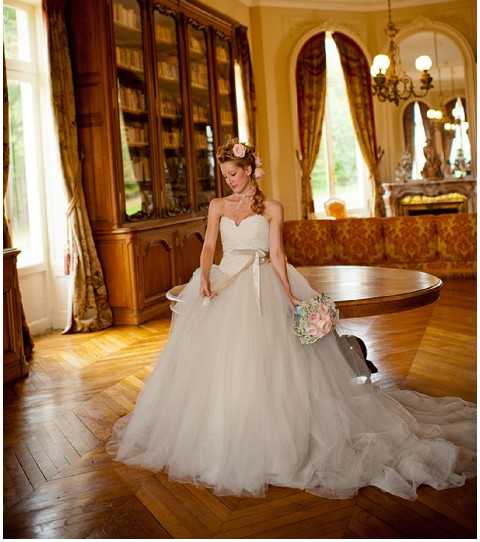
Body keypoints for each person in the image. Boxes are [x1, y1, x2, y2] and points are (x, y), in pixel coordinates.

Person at [106, 139, 476, 500]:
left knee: (277, 360)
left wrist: (290, 294)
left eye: (233, 174)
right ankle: (231, 436)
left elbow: (278, 254)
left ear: (249, 170)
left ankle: (283, 437)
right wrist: (203, 278)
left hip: (262, 281)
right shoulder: (217, 205)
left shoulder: (272, 208)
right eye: (225, 175)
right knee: (226, 362)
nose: (229, 181)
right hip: (225, 282)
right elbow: (208, 247)